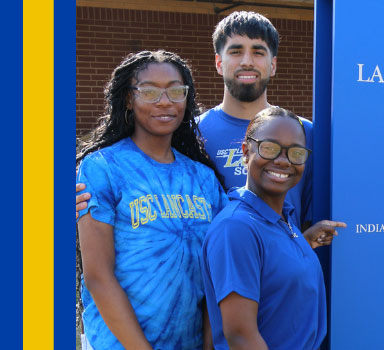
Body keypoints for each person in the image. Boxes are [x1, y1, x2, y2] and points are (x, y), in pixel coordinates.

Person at [76, 11, 344, 248]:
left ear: (273, 65)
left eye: (258, 52)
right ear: (218, 62)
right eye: (236, 51)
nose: (247, 61)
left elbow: (313, 215)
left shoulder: (305, 133)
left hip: (283, 284)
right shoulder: (191, 134)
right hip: (212, 288)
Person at [75, 50, 227, 350]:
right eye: (149, 91)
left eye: (176, 90)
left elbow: (217, 271)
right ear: (129, 99)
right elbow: (98, 276)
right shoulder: (103, 167)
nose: (165, 101)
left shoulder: (204, 178)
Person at [201, 106, 329, 349]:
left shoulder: (283, 219)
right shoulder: (236, 228)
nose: (283, 161)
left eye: (296, 153)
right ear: (245, 152)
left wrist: (304, 242)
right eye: (269, 148)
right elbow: (241, 337)